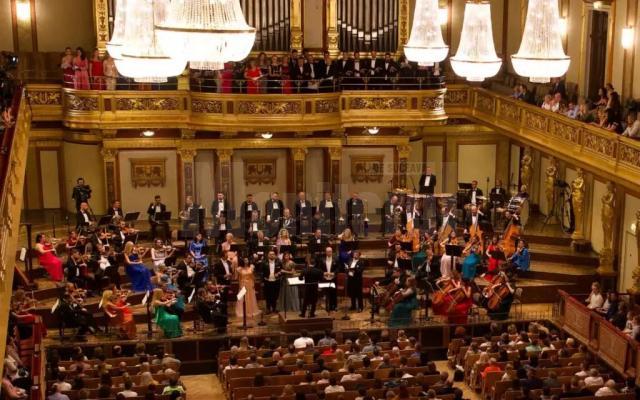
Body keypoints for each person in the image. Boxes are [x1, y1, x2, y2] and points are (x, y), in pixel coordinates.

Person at [316, 246, 339, 312]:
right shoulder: (322, 259)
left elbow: (338, 268)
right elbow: (319, 268)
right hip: (325, 279)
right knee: (326, 293)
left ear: (332, 252)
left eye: (330, 251)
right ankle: (327, 306)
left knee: (333, 293)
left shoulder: (336, 259)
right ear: (326, 252)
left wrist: (334, 273)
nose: (329, 253)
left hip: (333, 279)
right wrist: (323, 273)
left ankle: (334, 306)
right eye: (328, 251)